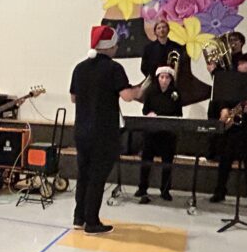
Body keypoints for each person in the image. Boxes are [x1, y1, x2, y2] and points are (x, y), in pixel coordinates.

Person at [70, 25, 141, 234]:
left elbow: (74, 97)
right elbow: (127, 96)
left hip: (81, 130)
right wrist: (139, 90)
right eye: (116, 44)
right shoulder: (114, 68)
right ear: (109, 46)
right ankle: (92, 221)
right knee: (97, 177)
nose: (117, 48)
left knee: (83, 174)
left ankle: (78, 217)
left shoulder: (79, 68)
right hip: (103, 132)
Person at [209, 52, 247, 209]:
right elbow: (221, 98)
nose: (241, 65)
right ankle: (219, 192)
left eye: (245, 63)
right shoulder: (230, 81)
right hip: (231, 129)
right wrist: (224, 109)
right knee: (224, 162)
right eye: (240, 63)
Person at [135, 65, 182, 203]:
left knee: (167, 163)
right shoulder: (151, 92)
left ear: (171, 79)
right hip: (152, 133)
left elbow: (178, 113)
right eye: (162, 77)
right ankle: (142, 188)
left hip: (167, 134)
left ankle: (165, 190)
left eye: (167, 77)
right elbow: (145, 111)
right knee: (146, 161)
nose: (164, 80)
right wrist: (150, 114)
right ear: (158, 78)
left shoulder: (175, 94)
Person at [140, 19, 186, 84]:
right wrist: (155, 78)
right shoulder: (148, 48)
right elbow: (144, 67)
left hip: (174, 82)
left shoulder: (177, 47)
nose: (161, 30)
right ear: (155, 32)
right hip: (154, 82)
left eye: (164, 27)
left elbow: (182, 65)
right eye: (159, 28)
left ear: (168, 30)